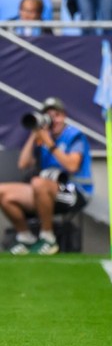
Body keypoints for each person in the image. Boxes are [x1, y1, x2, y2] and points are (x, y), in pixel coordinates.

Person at [0, 97, 93, 255]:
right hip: (44, 190)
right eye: (48, 116)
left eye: (56, 115)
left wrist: (49, 143)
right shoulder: (42, 137)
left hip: (75, 191)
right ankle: (25, 238)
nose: (53, 120)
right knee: (3, 192)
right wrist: (34, 133)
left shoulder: (74, 136)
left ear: (63, 116)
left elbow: (72, 165)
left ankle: (48, 238)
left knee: (38, 183)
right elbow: (23, 164)